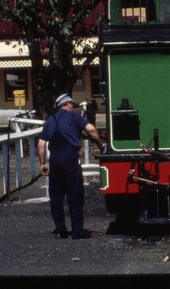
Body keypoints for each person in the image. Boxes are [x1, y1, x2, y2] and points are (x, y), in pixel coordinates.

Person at [37, 93, 104, 239]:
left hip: (54, 159)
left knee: (56, 196)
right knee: (74, 195)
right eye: (71, 104)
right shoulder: (74, 116)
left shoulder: (49, 120)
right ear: (68, 104)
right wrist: (100, 145)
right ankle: (77, 231)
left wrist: (42, 163)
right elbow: (91, 129)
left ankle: (60, 230)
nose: (72, 107)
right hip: (70, 158)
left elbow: (41, 143)